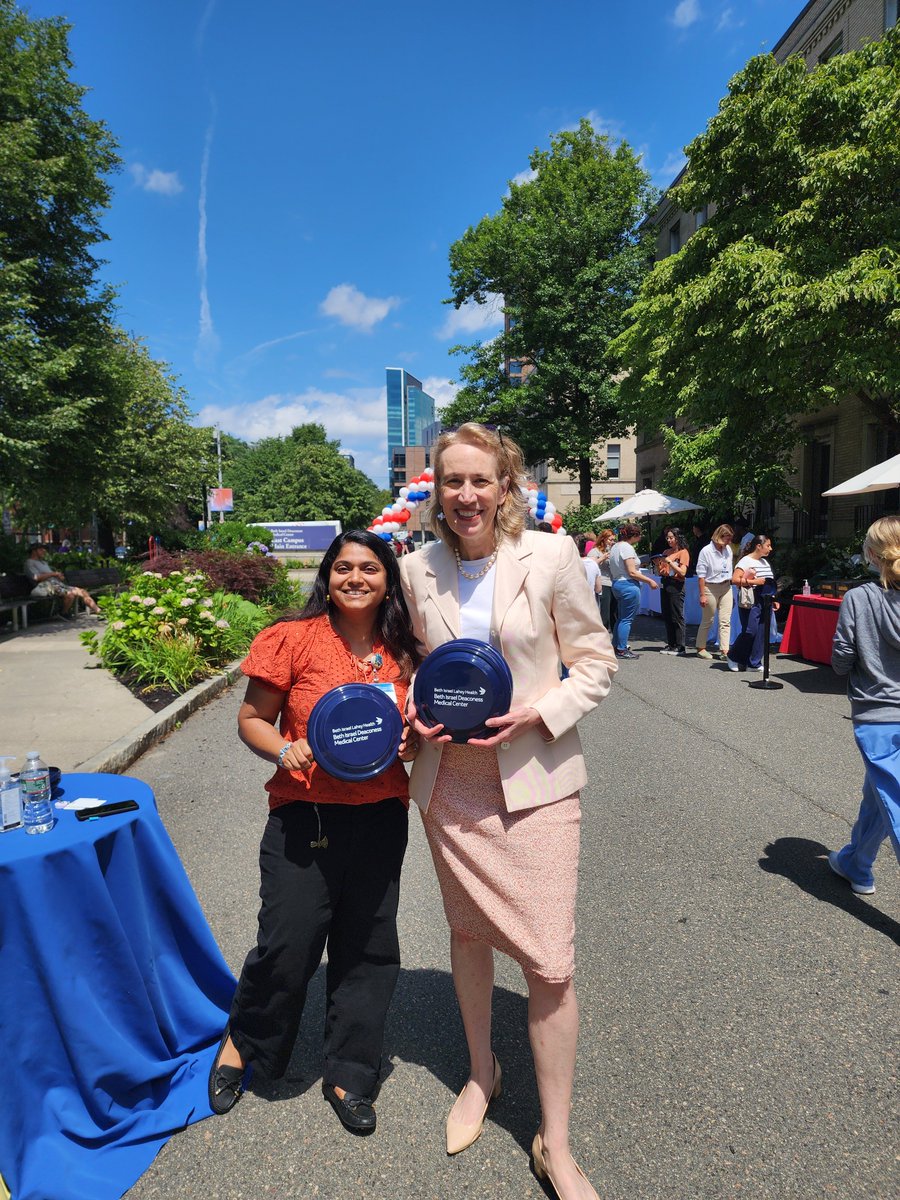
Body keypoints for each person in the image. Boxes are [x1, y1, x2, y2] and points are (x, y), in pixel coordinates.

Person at [400, 423, 616, 1200]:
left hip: (535, 781)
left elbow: (596, 662)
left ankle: (555, 1142)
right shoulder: (413, 569)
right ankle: (481, 1072)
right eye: (450, 482)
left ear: (505, 486)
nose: (464, 495)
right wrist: (409, 716)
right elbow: (403, 667)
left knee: (550, 962)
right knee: (467, 933)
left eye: (479, 481)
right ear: (434, 491)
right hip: (451, 783)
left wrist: (540, 712)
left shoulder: (552, 558)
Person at [208, 530, 419, 1134]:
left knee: (368, 946)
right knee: (287, 942)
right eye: (344, 567)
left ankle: (351, 1069)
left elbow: (424, 727)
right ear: (326, 576)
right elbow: (252, 720)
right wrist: (283, 750)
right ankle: (246, 1044)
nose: (356, 578)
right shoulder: (291, 639)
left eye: (370, 569)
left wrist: (414, 740)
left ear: (388, 581)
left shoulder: (405, 649)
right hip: (304, 815)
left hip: (380, 815)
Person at [827, 516, 900, 896]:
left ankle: (858, 862)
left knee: (895, 803)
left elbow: (841, 659)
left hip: (878, 716)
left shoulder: (859, 598)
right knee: (881, 795)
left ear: (872, 555)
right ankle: (858, 862)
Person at [727, 534, 779, 672]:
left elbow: (769, 582)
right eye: (768, 545)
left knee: (762, 632)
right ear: (759, 546)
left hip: (765, 598)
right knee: (750, 630)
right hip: (751, 598)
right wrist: (754, 582)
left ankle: (754, 662)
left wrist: (773, 598)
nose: (770, 548)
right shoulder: (745, 561)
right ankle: (733, 656)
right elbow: (735, 580)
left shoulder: (764, 562)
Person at [609, 523, 659, 660]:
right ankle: (621, 649)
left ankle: (616, 646)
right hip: (628, 585)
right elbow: (631, 571)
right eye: (639, 534)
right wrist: (649, 581)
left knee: (621, 618)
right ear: (634, 535)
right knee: (626, 619)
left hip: (617, 583)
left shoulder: (615, 547)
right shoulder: (627, 548)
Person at [23, 544, 100, 617]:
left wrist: (58, 576)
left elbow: (51, 575)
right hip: (46, 586)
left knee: (82, 592)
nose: (44, 551)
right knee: (70, 595)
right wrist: (54, 574)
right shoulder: (29, 563)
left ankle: (99, 611)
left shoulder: (43, 562)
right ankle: (63, 613)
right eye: (41, 549)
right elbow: (36, 578)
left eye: (44, 549)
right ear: (33, 551)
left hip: (56, 584)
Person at [695, 524, 734, 660]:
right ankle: (701, 648)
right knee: (708, 619)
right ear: (719, 537)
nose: (729, 542)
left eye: (730, 539)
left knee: (725, 620)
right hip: (710, 587)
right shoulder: (706, 551)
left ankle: (725, 650)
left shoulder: (728, 549)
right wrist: (702, 594)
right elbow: (701, 575)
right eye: (727, 539)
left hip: (726, 586)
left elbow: (729, 569)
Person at [653, 527, 689, 655]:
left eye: (671, 537)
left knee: (677, 615)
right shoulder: (666, 551)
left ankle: (680, 646)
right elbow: (661, 572)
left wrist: (671, 562)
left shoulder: (683, 552)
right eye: (667, 538)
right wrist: (658, 564)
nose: (669, 540)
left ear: (677, 538)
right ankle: (671, 643)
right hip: (666, 582)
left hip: (677, 584)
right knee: (667, 615)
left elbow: (683, 572)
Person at [589, 528, 616, 631]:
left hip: (613, 582)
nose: (612, 542)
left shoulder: (612, 551)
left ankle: (616, 638)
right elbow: (590, 565)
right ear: (603, 539)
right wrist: (602, 558)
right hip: (603, 582)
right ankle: (603, 634)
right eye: (610, 540)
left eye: (613, 540)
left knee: (614, 611)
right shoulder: (594, 551)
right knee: (605, 611)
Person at [573, 534, 602, 616]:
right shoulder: (593, 564)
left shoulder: (567, 563)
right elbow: (598, 589)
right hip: (590, 605)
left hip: (572, 606)